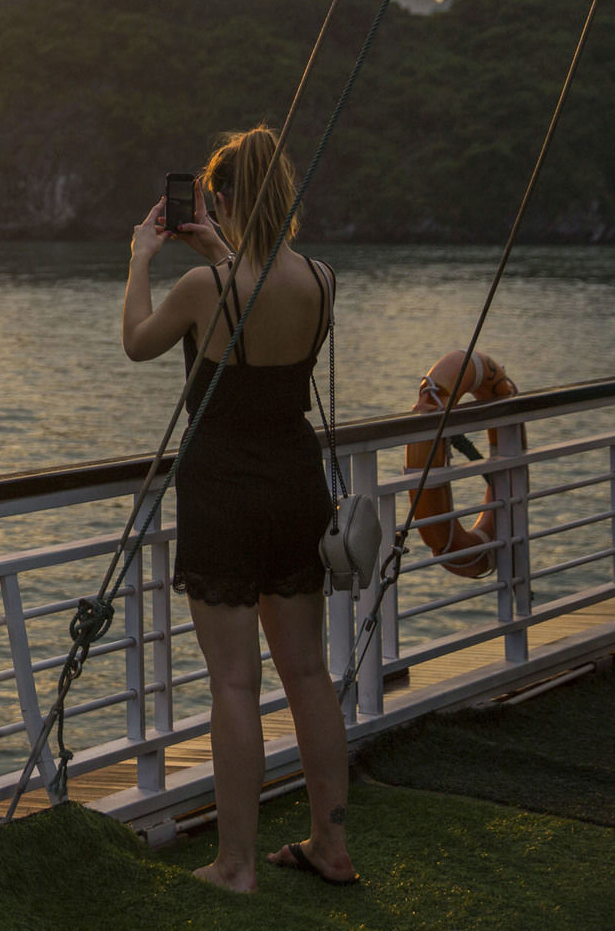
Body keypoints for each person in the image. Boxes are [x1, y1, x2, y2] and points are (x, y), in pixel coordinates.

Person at [120, 125, 357, 891]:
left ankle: (236, 862)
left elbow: (136, 341)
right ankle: (331, 842)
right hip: (296, 483)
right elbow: (260, 299)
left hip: (223, 491)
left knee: (234, 683)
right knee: (310, 673)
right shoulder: (320, 279)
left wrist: (140, 258)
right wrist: (223, 249)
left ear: (219, 199)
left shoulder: (201, 289)